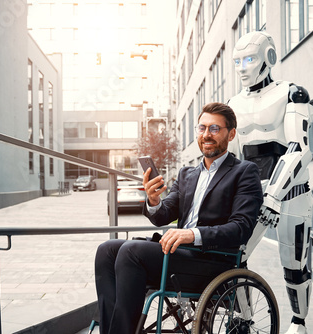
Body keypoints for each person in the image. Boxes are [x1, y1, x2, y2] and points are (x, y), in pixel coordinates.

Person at [94, 102, 263, 334]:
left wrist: (191, 234)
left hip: (212, 262)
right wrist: (153, 201)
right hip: (180, 257)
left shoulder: (244, 172)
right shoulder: (187, 174)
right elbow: (163, 214)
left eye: (214, 129)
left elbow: (241, 228)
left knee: (131, 251)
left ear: (231, 134)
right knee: (107, 249)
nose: (206, 135)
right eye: (202, 128)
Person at [228, 31, 313, 334]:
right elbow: (233, 158)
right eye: (237, 61)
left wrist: (275, 195)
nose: (241, 67)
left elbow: (299, 148)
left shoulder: (292, 94)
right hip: (253, 193)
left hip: (291, 192)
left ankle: (299, 322)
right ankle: (244, 320)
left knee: (293, 264)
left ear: (268, 58)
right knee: (234, 255)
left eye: (248, 59)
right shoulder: (232, 104)